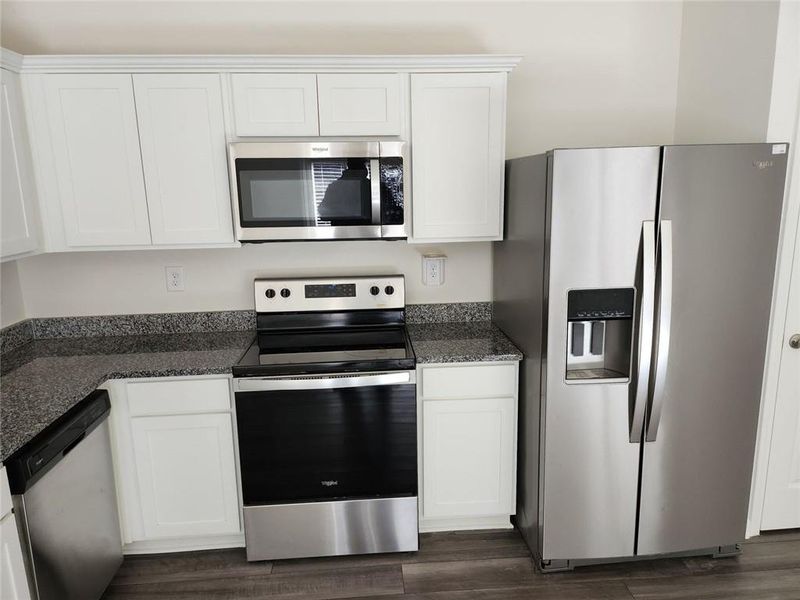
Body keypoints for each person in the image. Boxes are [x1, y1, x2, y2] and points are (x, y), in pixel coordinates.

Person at [317, 159, 371, 225]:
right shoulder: (370, 185)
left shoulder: (335, 186)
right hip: (367, 231)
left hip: (342, 231)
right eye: (364, 165)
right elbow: (324, 214)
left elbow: (323, 214)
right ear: (363, 169)